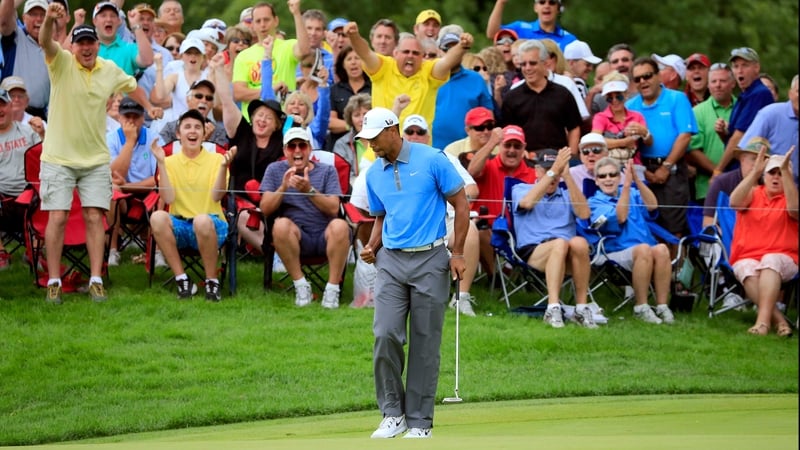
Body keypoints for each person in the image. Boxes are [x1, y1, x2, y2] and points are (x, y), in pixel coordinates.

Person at [357, 107, 468, 439]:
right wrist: (372, 246)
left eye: (375, 137)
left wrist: (458, 251)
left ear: (393, 130)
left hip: (431, 258)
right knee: (385, 333)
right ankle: (393, 413)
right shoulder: (374, 174)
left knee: (424, 341)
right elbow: (381, 216)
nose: (371, 144)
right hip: (391, 260)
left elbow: (461, 204)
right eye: (367, 139)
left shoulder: (432, 158)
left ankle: (419, 421)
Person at [39, 2, 158, 304]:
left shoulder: (109, 69)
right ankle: (54, 280)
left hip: (94, 159)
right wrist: (51, 20)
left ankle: (95, 279)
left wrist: (148, 107)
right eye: (81, 42)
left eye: (90, 42)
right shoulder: (62, 62)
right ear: (74, 46)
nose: (86, 47)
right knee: (58, 216)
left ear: (96, 45)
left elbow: (132, 86)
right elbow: (45, 42)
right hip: (59, 158)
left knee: (95, 217)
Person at [148, 109, 234, 301]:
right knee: (157, 217)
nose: (192, 131)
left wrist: (222, 168)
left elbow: (217, 196)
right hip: (182, 226)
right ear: (179, 134)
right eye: (187, 127)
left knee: (202, 221)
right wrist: (161, 163)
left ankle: (212, 282)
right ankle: (182, 279)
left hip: (212, 225)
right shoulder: (169, 161)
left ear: (204, 134)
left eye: (197, 127)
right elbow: (168, 199)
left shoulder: (217, 159)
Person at [259, 127, 350, 308]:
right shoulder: (275, 170)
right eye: (292, 146)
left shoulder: (327, 171)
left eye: (302, 145)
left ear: (310, 149)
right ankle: (301, 285)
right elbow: (265, 209)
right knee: (280, 225)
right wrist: (283, 186)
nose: (298, 150)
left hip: (326, 235)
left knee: (341, 225)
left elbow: (334, 208)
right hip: (297, 237)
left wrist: (309, 191)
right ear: (285, 151)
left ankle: (332, 290)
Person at [212, 51, 285, 256]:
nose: (262, 120)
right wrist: (218, 69)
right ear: (252, 118)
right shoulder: (242, 132)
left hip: (270, 201)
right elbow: (227, 101)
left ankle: (278, 251)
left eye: (269, 118)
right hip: (238, 199)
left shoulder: (282, 144)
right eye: (259, 115)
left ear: (277, 125)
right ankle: (275, 254)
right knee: (244, 216)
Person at [512, 147, 593, 328]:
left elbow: (585, 214)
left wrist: (568, 177)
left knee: (579, 242)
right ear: (537, 171)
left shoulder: (566, 194)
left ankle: (581, 308)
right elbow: (527, 203)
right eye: (548, 168)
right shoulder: (521, 188)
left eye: (557, 170)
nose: (554, 175)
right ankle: (553, 307)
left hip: (567, 253)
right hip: (534, 250)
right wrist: (553, 170)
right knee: (560, 244)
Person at [587, 157, 675, 324]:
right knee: (643, 249)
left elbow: (652, 206)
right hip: (613, 254)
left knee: (662, 249)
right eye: (603, 176)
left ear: (619, 177)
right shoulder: (594, 202)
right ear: (596, 181)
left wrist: (636, 181)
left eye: (612, 174)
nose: (608, 179)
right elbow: (620, 217)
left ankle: (662, 306)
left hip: (645, 250)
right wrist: (626, 186)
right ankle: (641, 307)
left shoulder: (633, 193)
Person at [345, 22, 472, 127]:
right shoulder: (384, 67)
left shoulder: (427, 70)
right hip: (380, 149)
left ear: (423, 57)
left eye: (416, 53)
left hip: (418, 148)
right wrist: (354, 36)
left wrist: (462, 46)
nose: (410, 56)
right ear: (395, 53)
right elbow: (365, 53)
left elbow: (447, 62)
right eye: (406, 52)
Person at [626, 57, 697, 241]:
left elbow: (685, 136)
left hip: (671, 169)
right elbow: (628, 142)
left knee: (674, 228)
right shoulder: (630, 106)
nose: (643, 82)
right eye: (637, 79)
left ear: (658, 76)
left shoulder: (677, 98)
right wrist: (643, 170)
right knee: (645, 227)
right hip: (642, 170)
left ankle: (675, 268)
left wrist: (666, 167)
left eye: (647, 76)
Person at [729, 148, 797, 337]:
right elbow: (734, 203)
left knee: (770, 260)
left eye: (781, 173)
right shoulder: (753, 193)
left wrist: (787, 174)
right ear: (764, 176)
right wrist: (755, 172)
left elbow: (795, 210)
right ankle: (780, 321)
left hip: (785, 257)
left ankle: (762, 323)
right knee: (746, 267)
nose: (776, 177)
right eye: (772, 172)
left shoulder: (791, 197)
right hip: (748, 255)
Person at [468, 124, 536, 278]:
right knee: (478, 231)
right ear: (500, 146)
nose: (512, 150)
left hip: (520, 232)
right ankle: (496, 277)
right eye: (507, 145)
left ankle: (511, 274)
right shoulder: (488, 165)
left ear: (524, 148)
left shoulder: (532, 173)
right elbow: (472, 171)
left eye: (517, 146)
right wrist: (491, 142)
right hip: (487, 228)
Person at [501, 39, 582, 157]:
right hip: (525, 160)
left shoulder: (563, 93)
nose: (527, 68)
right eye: (523, 64)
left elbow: (574, 128)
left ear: (544, 64)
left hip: (558, 158)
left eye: (532, 63)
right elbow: (507, 132)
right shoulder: (512, 97)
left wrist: (571, 156)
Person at [233, 0, 310, 121]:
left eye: (266, 20)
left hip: (284, 121)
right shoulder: (243, 56)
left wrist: (296, 13)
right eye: (258, 21)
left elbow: (305, 50)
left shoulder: (287, 46)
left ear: (276, 21)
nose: (262, 24)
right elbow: (238, 93)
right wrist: (269, 90)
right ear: (252, 25)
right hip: (252, 123)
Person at [106, 97, 159, 266]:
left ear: (143, 117)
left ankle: (157, 252)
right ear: (119, 117)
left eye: (135, 117)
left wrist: (128, 185)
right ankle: (113, 251)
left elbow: (158, 178)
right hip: (122, 196)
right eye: (126, 117)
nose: (131, 121)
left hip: (148, 193)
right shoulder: (111, 139)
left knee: (162, 191)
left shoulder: (153, 138)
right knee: (112, 189)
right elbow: (115, 175)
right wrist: (129, 142)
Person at [714, 47, 774, 177]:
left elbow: (739, 137)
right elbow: (738, 137)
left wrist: (718, 170)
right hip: (741, 167)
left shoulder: (758, 94)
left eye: (745, 65)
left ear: (756, 68)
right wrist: (724, 133)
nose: (739, 70)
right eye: (735, 66)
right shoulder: (745, 95)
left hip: (749, 170)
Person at [432, 24, 493, 150]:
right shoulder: (427, 76)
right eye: (446, 49)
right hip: (431, 149)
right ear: (438, 51)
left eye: (456, 48)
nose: (452, 54)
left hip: (467, 152)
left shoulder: (476, 79)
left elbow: (488, 117)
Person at [0, 88, 40, 269]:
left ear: (10, 107)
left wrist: (43, 135)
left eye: (3, 105)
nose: (0, 110)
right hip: (2, 197)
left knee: (52, 196)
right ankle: (1, 252)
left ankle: (34, 252)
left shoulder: (28, 132)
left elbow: (44, 160)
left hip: (29, 194)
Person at [685, 63, 736, 203]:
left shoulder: (742, 108)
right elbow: (692, 150)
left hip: (739, 185)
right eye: (713, 81)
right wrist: (717, 172)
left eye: (723, 81)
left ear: (733, 84)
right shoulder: (697, 111)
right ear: (708, 85)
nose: (718, 85)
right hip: (707, 187)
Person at [740, 75, 799, 183]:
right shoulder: (769, 114)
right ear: (790, 93)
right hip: (770, 187)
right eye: (798, 91)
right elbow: (746, 152)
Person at [702, 137, 770, 228]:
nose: (757, 164)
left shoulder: (771, 185)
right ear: (742, 159)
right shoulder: (722, 182)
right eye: (754, 159)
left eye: (762, 160)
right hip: (726, 237)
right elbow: (708, 222)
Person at [0, 0, 51, 118]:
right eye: (33, 14)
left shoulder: (52, 46)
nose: (39, 19)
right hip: (11, 112)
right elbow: (3, 21)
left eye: (43, 15)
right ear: (24, 18)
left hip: (41, 116)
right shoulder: (15, 36)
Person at [591, 75, 652, 168]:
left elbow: (649, 143)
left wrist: (645, 133)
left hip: (634, 167)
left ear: (626, 94)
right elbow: (595, 141)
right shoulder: (600, 117)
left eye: (618, 96)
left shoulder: (637, 116)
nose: (614, 100)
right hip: (608, 169)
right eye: (610, 98)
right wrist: (624, 142)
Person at [157, 79, 227, 147]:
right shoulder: (171, 128)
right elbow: (161, 154)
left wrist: (206, 142)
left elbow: (220, 157)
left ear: (212, 104)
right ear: (188, 100)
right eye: (199, 96)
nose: (204, 100)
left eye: (209, 98)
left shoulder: (218, 132)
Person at [93, 1, 153, 77]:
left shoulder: (129, 48)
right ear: (94, 21)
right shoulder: (87, 49)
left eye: (113, 16)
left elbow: (148, 61)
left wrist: (136, 25)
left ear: (119, 21)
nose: (108, 19)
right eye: (103, 15)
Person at [486, 0, 576, 50]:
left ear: (558, 9)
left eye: (552, 2)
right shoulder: (520, 28)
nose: (547, 6)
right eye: (542, 2)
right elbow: (492, 34)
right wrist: (501, 2)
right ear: (535, 7)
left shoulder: (569, 39)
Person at [328, 46, 371, 147]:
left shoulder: (375, 87)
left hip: (370, 146)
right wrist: (355, 125)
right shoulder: (334, 90)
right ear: (343, 65)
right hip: (341, 147)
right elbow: (331, 122)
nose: (353, 62)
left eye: (357, 58)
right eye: (349, 59)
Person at [332, 93, 371, 181]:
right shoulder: (342, 144)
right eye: (357, 115)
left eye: (365, 114)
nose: (362, 119)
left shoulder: (383, 139)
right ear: (351, 119)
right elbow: (344, 176)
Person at [0, 76, 46, 140]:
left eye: (20, 96)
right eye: (11, 96)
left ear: (27, 101)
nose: (16, 99)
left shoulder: (39, 125)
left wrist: (42, 135)